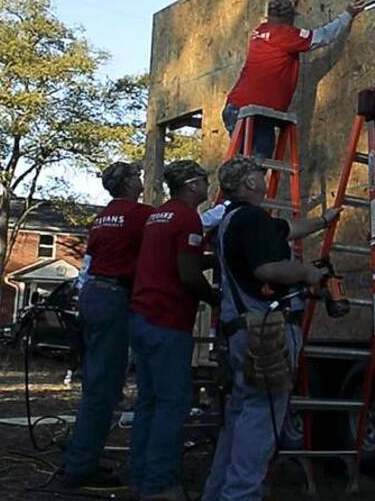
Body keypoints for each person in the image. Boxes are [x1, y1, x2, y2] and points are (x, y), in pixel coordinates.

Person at [202, 157, 337, 501]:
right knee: (260, 420)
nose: (264, 176)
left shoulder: (237, 220)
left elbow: (287, 229)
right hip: (264, 333)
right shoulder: (251, 219)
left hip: (242, 330)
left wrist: (323, 220)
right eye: (258, 173)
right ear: (249, 183)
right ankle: (239, 496)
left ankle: (218, 494)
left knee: (240, 417)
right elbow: (266, 270)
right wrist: (307, 273)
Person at [128, 160, 217, 501]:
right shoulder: (187, 218)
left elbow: (174, 259)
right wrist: (216, 298)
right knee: (172, 404)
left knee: (148, 402)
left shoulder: (158, 216)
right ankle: (159, 485)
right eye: (205, 180)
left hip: (143, 316)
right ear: (192, 185)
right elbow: (188, 274)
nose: (208, 186)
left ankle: (140, 478)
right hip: (167, 320)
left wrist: (212, 259)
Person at [61, 161, 152, 488]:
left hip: (94, 295)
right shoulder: (139, 214)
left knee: (97, 380)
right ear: (127, 183)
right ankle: (81, 464)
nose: (140, 180)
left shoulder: (102, 218)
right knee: (104, 386)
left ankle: (82, 454)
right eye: (136, 176)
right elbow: (175, 230)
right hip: (114, 297)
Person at [224, 0, 365, 158]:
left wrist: (288, 7)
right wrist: (348, 14)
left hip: (240, 108)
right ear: (287, 18)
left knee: (251, 162)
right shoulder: (285, 34)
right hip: (250, 113)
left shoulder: (260, 31)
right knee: (255, 163)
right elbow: (323, 36)